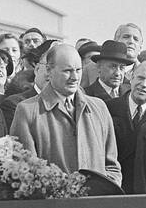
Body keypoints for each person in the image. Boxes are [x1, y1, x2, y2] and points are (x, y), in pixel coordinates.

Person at [9, 42, 122, 189]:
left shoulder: (99, 107)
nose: (75, 77)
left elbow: (112, 166)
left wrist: (103, 194)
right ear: (49, 71)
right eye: (67, 71)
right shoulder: (27, 111)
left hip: (96, 207)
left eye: (78, 70)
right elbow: (25, 172)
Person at [106, 60, 146, 194]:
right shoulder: (107, 108)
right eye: (140, 78)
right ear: (131, 78)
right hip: (112, 187)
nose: (143, 85)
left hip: (145, 191)